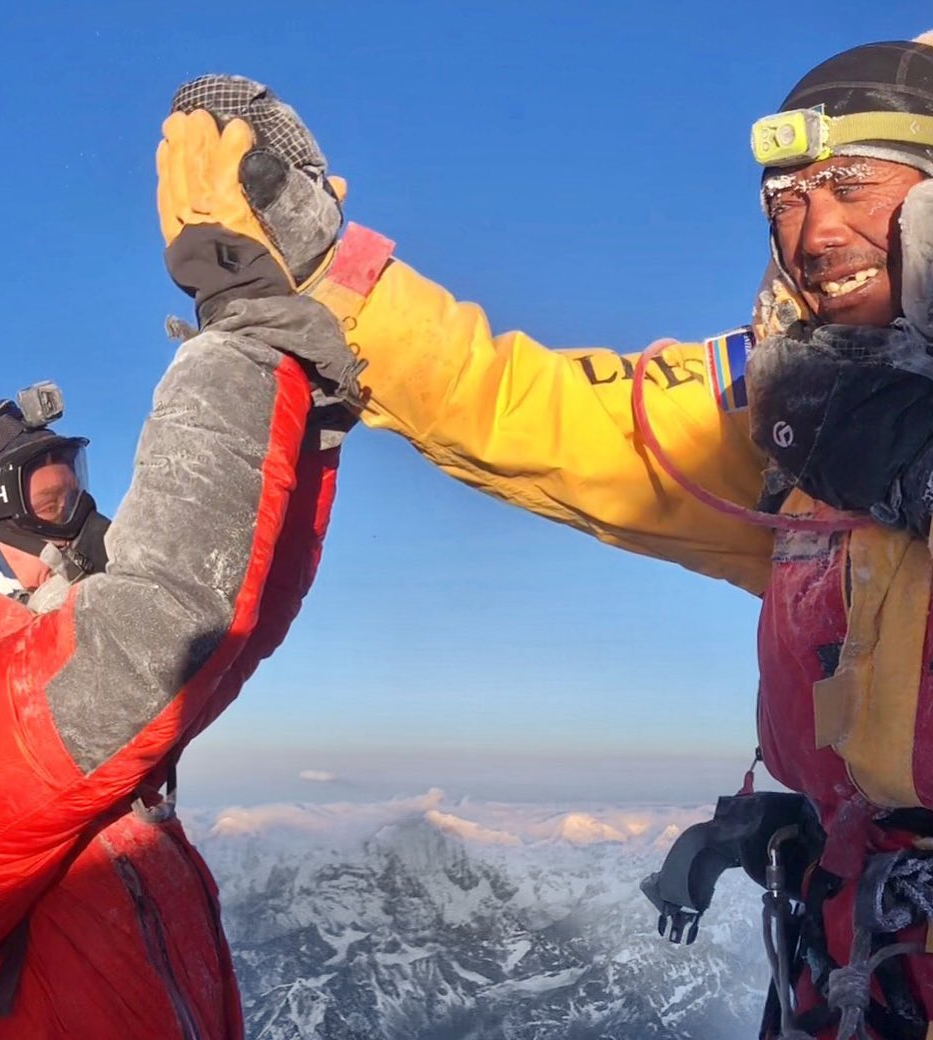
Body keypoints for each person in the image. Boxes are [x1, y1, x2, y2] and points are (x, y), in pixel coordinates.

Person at [157, 36, 933, 1040]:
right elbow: (529, 406)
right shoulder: (795, 412)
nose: (812, 229)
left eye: (849, 182)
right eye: (783, 196)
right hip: (853, 971)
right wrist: (319, 276)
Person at [0, 86, 361, 1040]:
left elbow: (217, 631)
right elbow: (151, 639)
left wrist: (301, 407)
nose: (83, 525)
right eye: (51, 496)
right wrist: (239, 321)